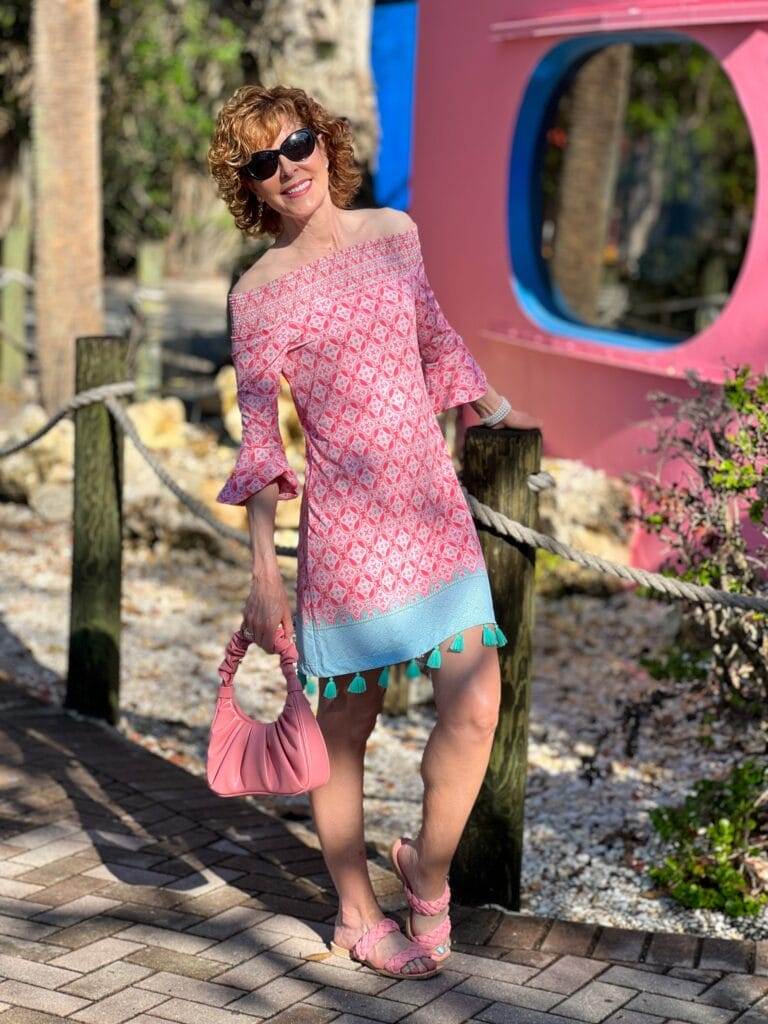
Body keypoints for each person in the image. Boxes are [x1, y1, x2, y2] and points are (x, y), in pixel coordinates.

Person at [207, 84, 542, 980]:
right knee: (343, 730)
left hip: (432, 513)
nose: (288, 167)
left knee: (477, 705)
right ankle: (357, 913)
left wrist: (488, 403)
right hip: (346, 537)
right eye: (263, 162)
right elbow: (259, 446)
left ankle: (425, 875)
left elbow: (432, 336)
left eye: (298, 142)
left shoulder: (396, 232)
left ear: (326, 142)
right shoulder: (257, 295)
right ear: (250, 186)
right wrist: (263, 577)